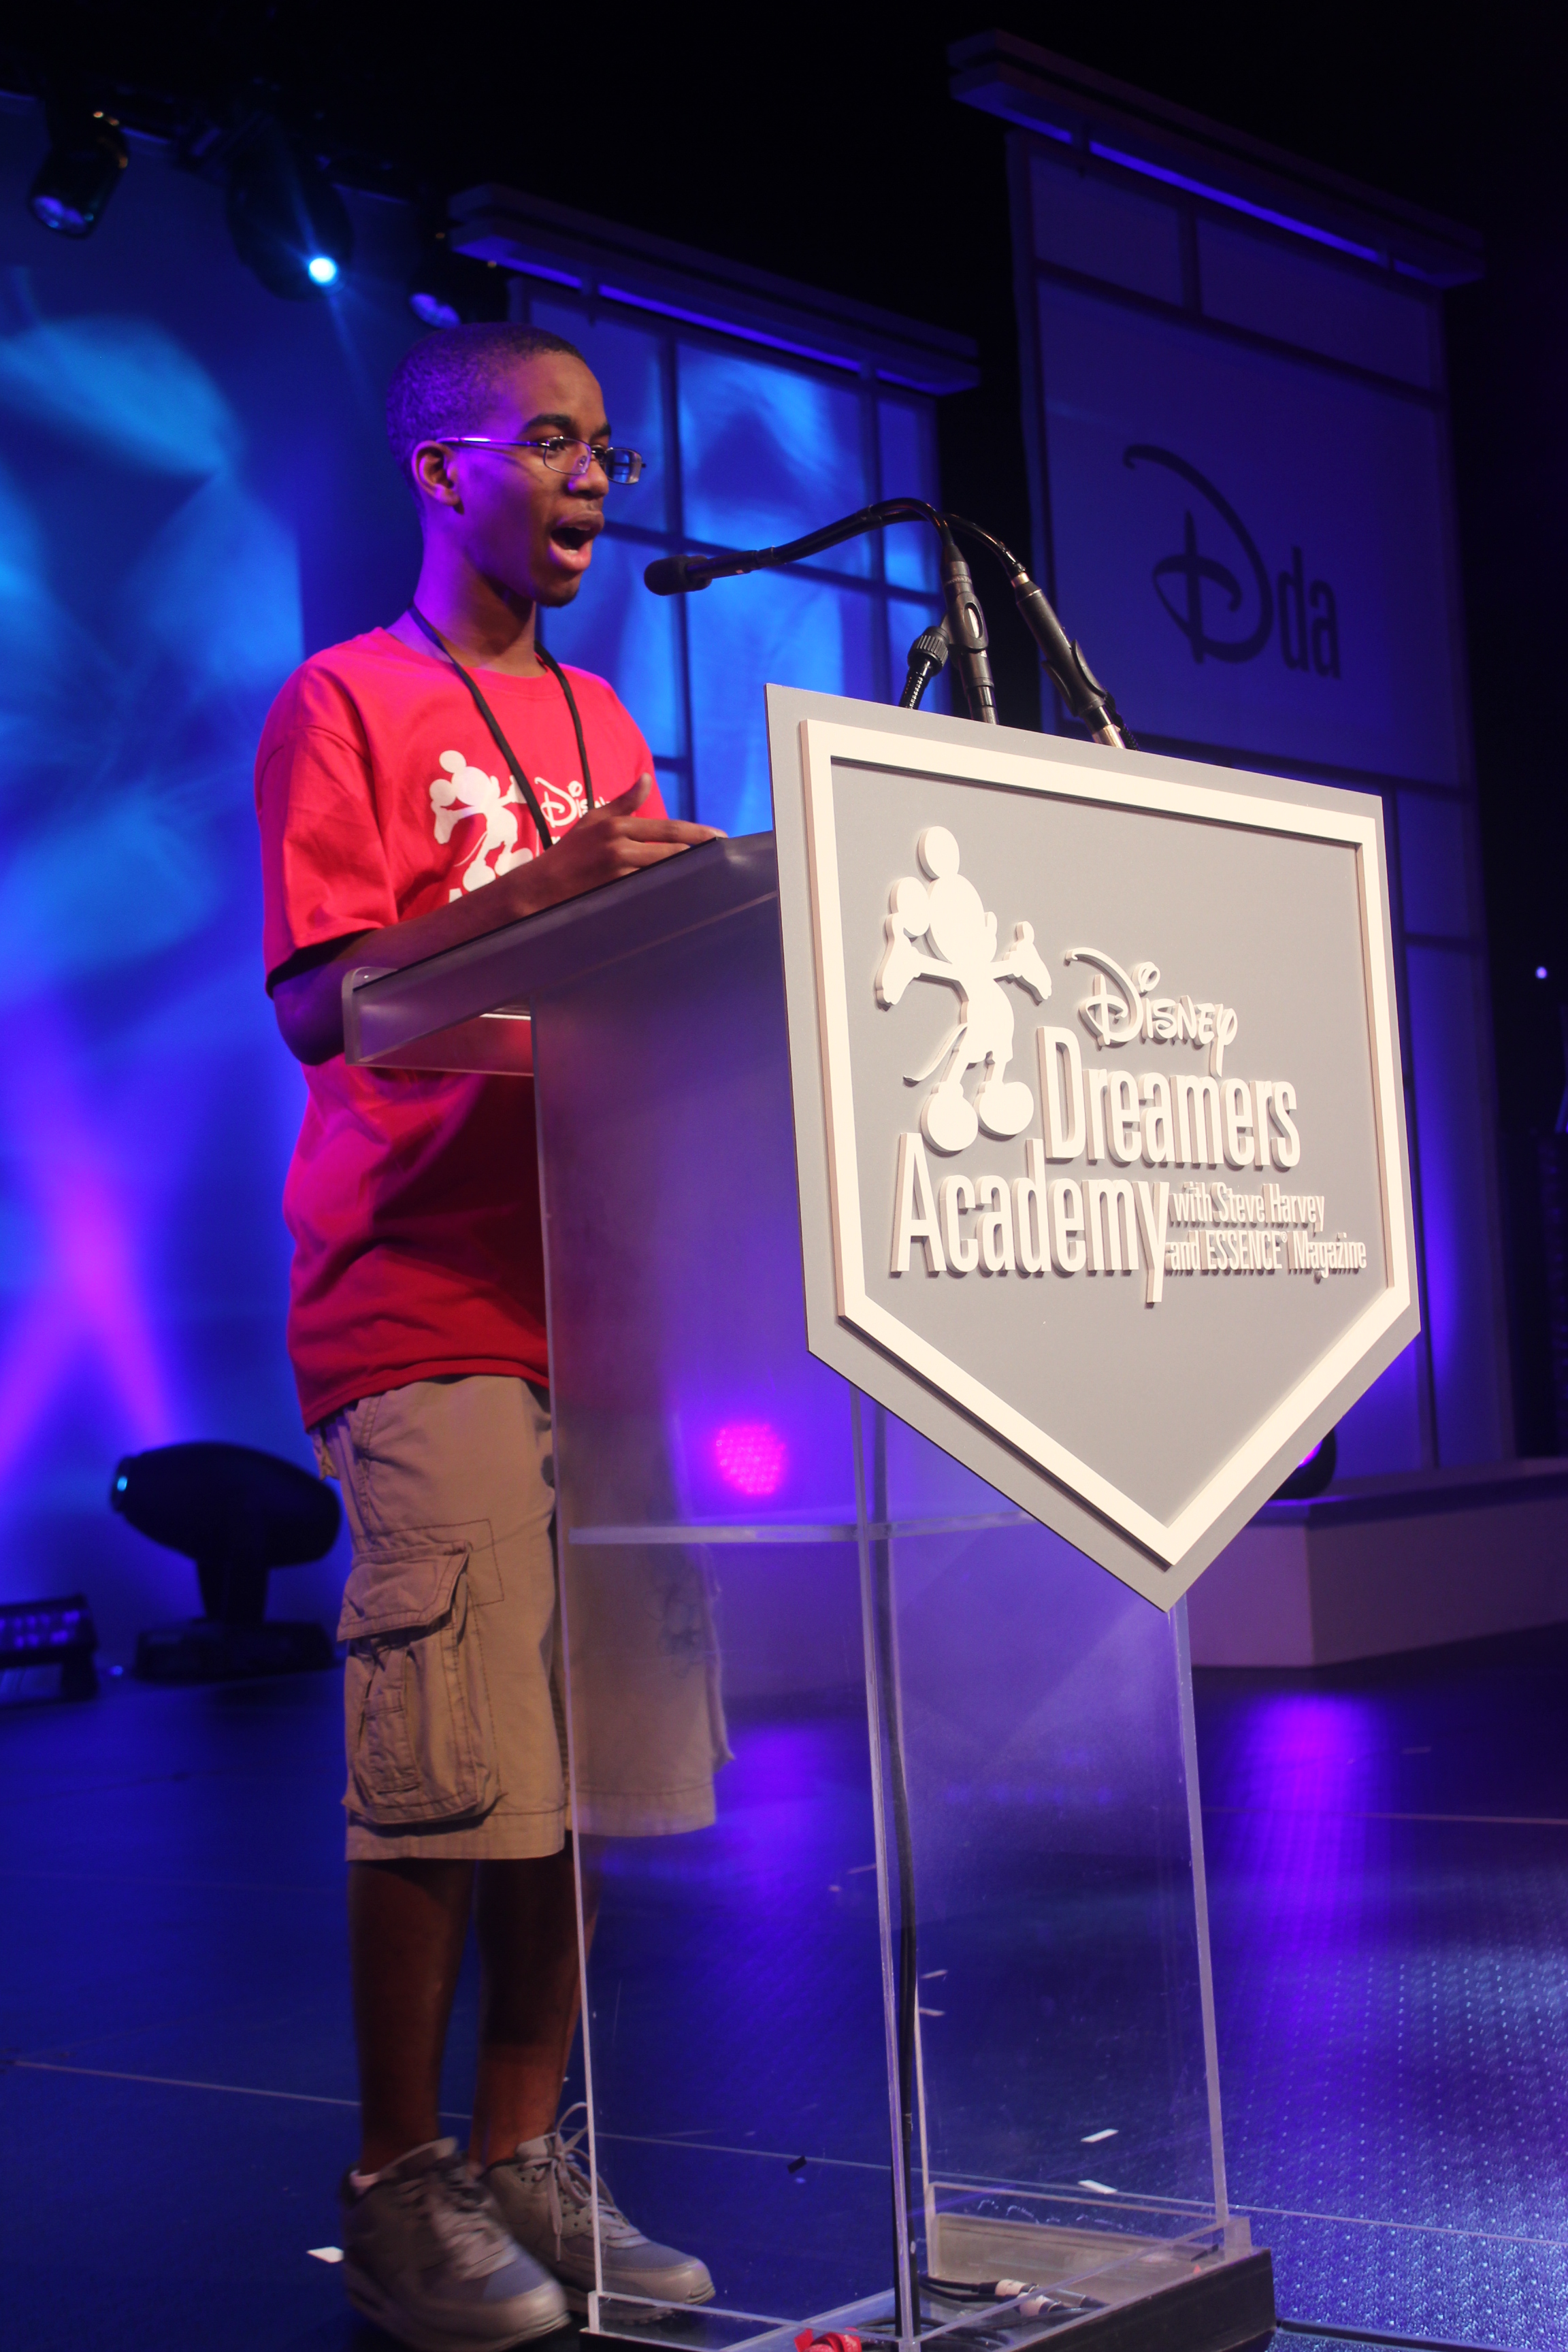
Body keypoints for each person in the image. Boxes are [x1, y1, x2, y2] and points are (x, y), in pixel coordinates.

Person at [255, 322, 723, 2351]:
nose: (592, 475)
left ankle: (523, 2150)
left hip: (605, 1295)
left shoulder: (607, 721)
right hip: (424, 1289)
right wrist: (544, 897)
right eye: (548, 440)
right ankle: (395, 2182)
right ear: (443, 473)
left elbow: (641, 987)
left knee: (585, 1758)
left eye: (605, 446)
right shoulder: (342, 700)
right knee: (448, 1760)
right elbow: (320, 1002)